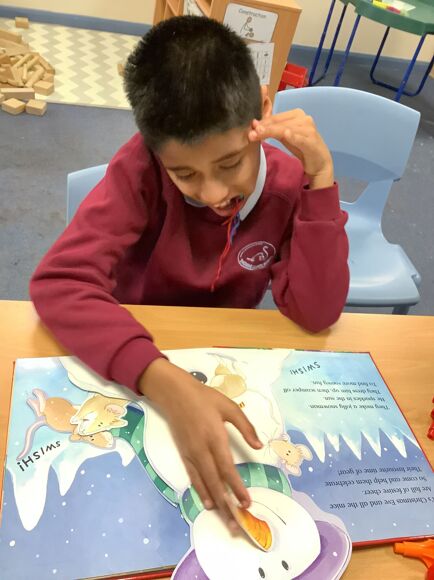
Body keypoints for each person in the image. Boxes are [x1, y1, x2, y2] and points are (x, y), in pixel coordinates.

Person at [30, 16, 349, 530]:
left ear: (263, 110)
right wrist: (165, 383)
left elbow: (316, 312)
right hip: (136, 348)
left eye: (230, 163)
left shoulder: (291, 185)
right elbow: (59, 284)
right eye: (185, 174)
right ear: (156, 151)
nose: (213, 193)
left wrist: (321, 181)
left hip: (222, 357)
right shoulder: (141, 167)